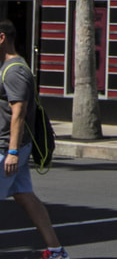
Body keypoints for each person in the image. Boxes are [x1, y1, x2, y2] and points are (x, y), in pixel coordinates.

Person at [0, 19, 70, 259]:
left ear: (2, 38)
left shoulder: (14, 70)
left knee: (24, 196)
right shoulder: (10, 67)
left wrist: (12, 151)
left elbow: (18, 112)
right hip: (14, 146)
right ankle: (55, 250)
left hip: (6, 147)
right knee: (24, 195)